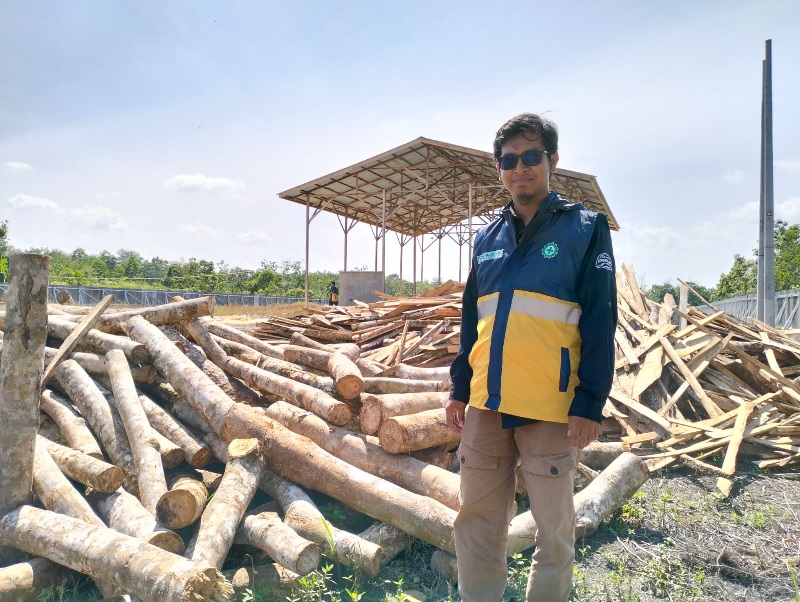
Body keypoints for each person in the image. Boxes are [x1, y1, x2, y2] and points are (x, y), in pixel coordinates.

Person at [446, 113, 617, 601]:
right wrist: (460, 387)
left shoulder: (585, 228)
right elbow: (473, 320)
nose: (520, 168)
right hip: (488, 403)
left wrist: (590, 402)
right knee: (477, 521)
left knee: (554, 529)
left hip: (552, 407)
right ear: (499, 168)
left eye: (531, 156)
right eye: (509, 160)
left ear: (552, 160)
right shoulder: (487, 238)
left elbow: (600, 318)